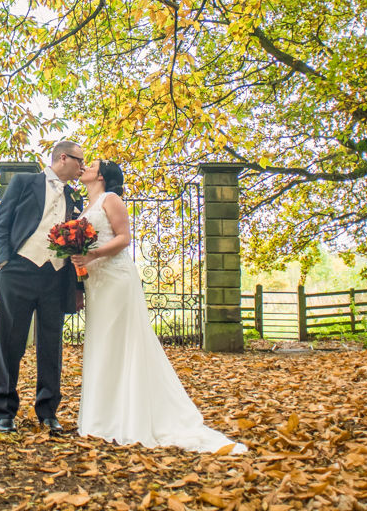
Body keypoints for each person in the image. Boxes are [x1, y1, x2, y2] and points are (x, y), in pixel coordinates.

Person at [71, 159, 248, 453]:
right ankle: (101, 415)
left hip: (115, 278)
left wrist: (92, 255)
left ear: (101, 175)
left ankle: (128, 416)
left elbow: (124, 238)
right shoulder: (86, 206)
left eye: (91, 165)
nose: (85, 167)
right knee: (101, 343)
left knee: (120, 343)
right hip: (96, 282)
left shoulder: (110, 199)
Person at [0, 140, 86, 433]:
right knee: (10, 344)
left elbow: (76, 245)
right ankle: (3, 410)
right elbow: (1, 224)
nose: (82, 167)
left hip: (55, 277)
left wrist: (78, 287)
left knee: (51, 346)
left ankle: (48, 410)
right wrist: (4, 262)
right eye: (79, 161)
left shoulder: (75, 197)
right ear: (62, 158)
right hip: (18, 272)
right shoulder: (24, 182)